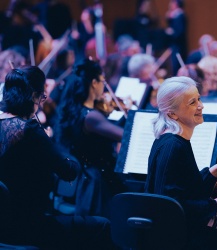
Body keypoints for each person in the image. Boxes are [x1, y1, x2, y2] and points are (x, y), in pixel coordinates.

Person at [0, 66, 115, 249]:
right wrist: (50, 140)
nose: (43, 102)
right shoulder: (29, 129)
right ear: (33, 96)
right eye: (42, 97)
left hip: (4, 226)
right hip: (27, 226)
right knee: (102, 225)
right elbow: (68, 171)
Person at [145, 76, 217, 250]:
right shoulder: (174, 147)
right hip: (181, 239)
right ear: (172, 113)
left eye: (199, 98)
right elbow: (171, 206)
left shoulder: (171, 140)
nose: (201, 106)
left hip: (183, 232)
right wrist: (215, 205)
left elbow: (186, 188)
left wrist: (212, 171)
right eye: (192, 102)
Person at [54, 59, 125, 218]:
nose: (103, 86)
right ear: (94, 83)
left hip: (84, 176)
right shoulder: (91, 117)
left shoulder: (75, 110)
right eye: (102, 81)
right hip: (97, 182)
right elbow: (124, 135)